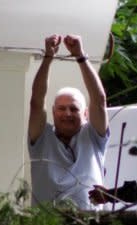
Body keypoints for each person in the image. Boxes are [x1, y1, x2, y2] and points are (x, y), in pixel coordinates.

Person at [28, 34, 109, 209]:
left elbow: (99, 100)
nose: (67, 113)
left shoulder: (93, 136)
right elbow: (36, 103)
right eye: (61, 108)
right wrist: (48, 58)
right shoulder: (42, 137)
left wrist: (80, 56)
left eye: (74, 109)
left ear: (86, 114)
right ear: (53, 111)